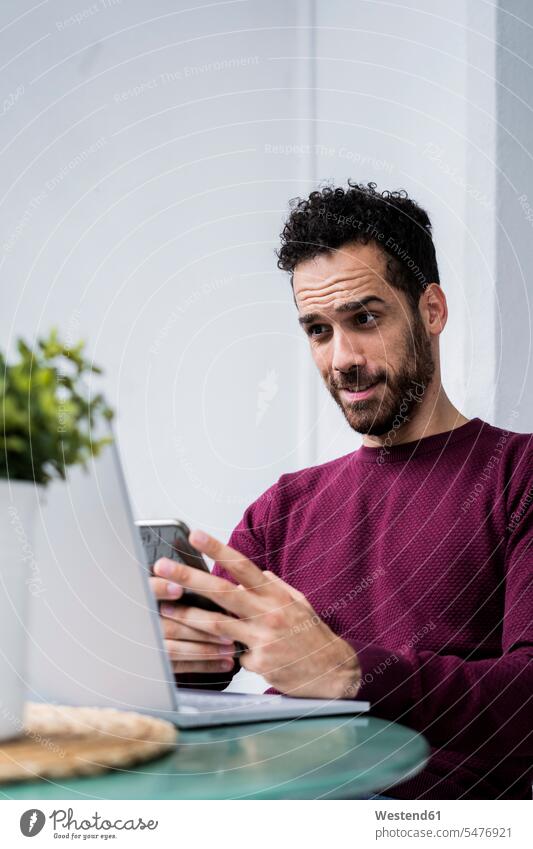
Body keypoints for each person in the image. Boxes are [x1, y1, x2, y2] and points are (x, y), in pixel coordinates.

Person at [149, 182, 533, 799]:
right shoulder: (283, 509)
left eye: (365, 318)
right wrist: (186, 656)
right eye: (319, 331)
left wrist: (348, 671)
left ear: (431, 310)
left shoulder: (519, 474)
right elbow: (212, 672)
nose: (342, 358)